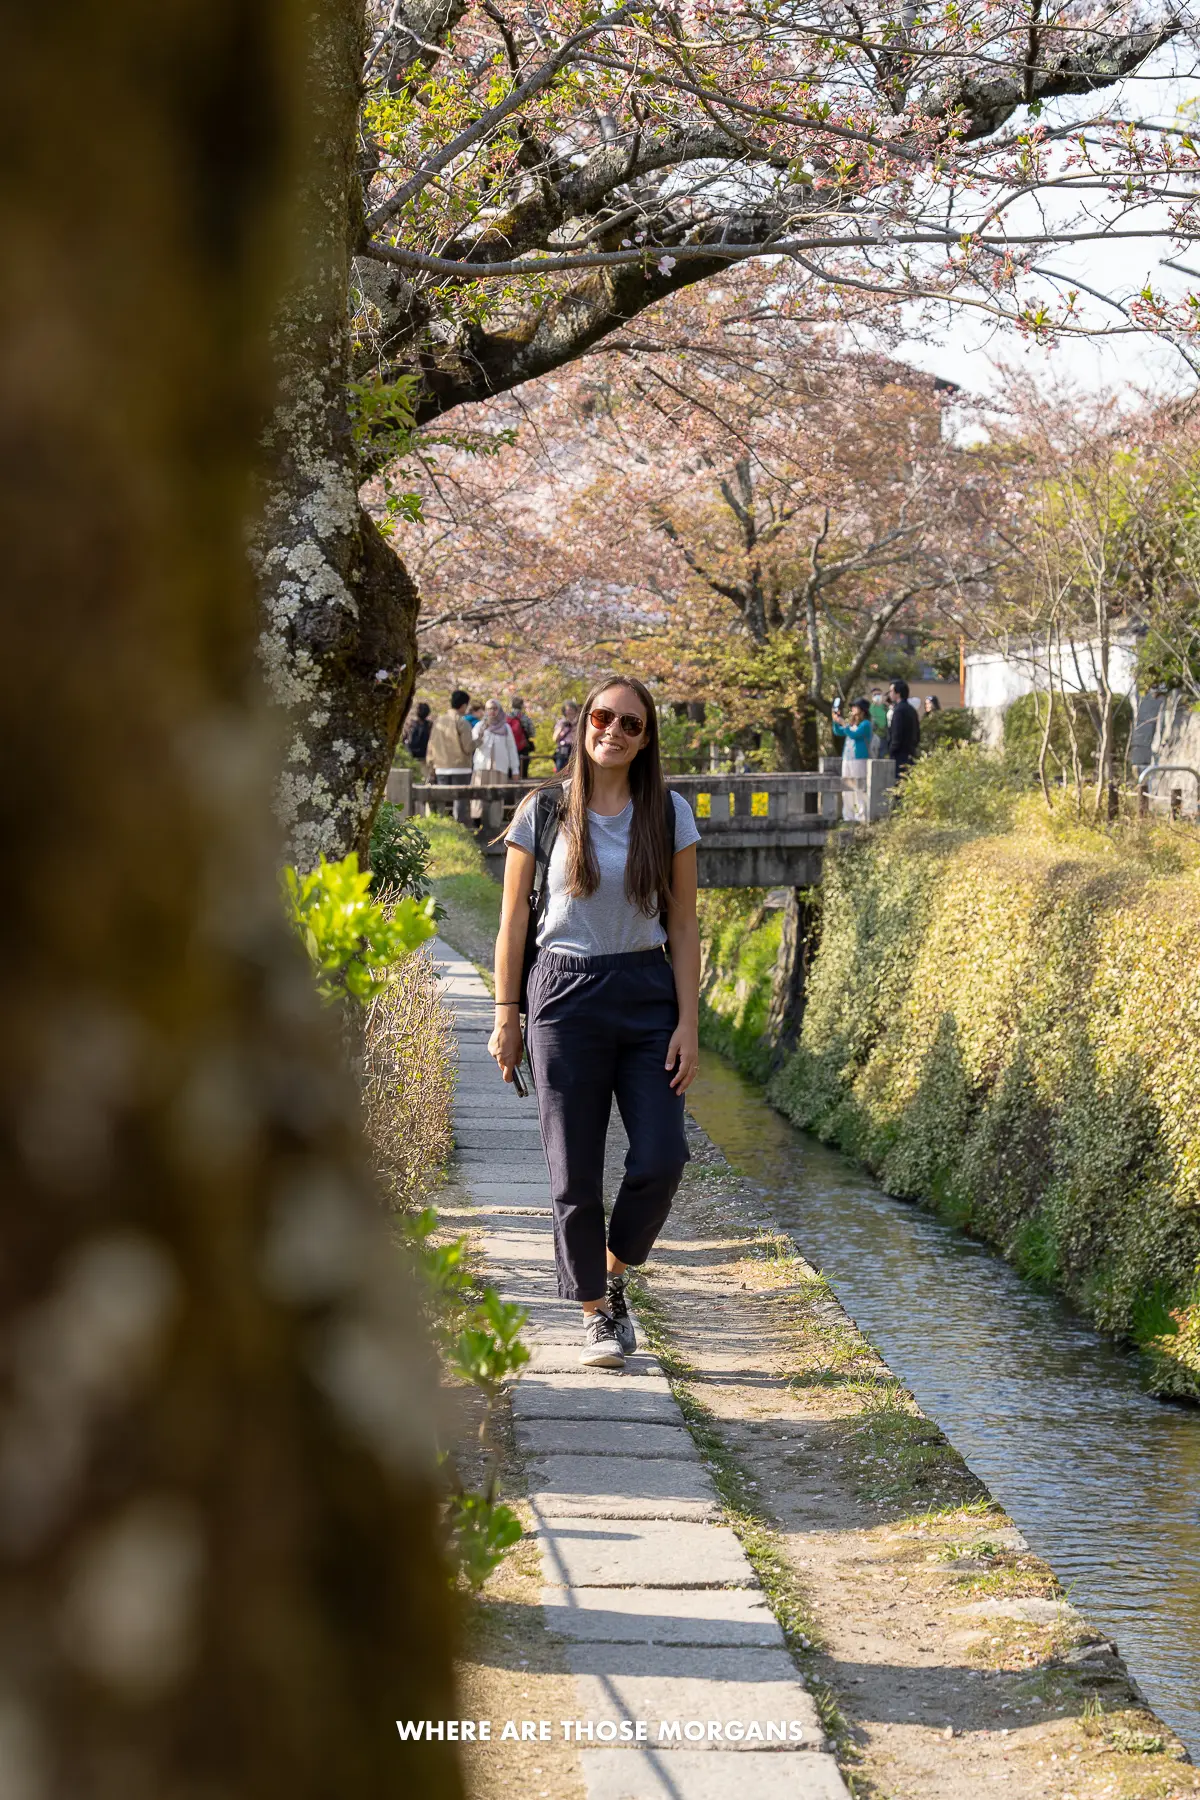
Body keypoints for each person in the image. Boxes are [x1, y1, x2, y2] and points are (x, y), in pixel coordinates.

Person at [489, 675, 702, 1371]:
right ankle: (597, 1315)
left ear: (646, 740)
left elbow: (684, 924)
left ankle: (610, 1270)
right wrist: (506, 1014)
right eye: (602, 717)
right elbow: (515, 918)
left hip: (646, 992)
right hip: (562, 993)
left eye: (630, 724)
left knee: (662, 1157)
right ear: (583, 724)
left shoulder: (668, 813)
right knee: (573, 1171)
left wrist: (689, 1024)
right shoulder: (543, 811)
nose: (613, 730)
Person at [471, 698, 521, 829]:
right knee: (479, 796)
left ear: (499, 710)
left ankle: (495, 825)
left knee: (497, 798)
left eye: (494, 708)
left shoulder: (506, 728)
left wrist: (515, 769)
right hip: (482, 767)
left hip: (500, 768)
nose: (492, 712)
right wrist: (481, 733)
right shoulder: (479, 725)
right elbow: (473, 744)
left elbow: (511, 748)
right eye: (489, 709)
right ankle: (477, 823)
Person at [427, 689, 475, 819]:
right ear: (464, 705)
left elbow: (431, 745)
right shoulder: (462, 722)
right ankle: (461, 827)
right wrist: (479, 740)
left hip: (441, 767)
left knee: (442, 800)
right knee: (461, 800)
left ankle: (442, 826)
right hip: (461, 768)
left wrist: (431, 765)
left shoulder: (438, 721)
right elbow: (468, 747)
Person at [832, 697, 872, 823]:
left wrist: (844, 724)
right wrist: (836, 721)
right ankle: (848, 816)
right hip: (847, 758)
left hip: (859, 759)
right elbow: (838, 732)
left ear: (863, 710)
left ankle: (861, 815)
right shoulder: (852, 724)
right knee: (846, 788)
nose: (853, 709)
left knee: (859, 788)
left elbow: (854, 735)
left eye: (856, 706)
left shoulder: (866, 724)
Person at [885, 678, 921, 775]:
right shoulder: (911, 710)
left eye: (891, 691)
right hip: (911, 751)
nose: (890, 694)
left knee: (898, 782)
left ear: (898, 693)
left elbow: (896, 733)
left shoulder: (899, 711)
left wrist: (892, 751)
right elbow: (917, 733)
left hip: (899, 754)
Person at [509, 695, 536, 779]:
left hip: (510, 746)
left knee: (511, 770)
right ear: (521, 705)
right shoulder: (525, 718)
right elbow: (532, 733)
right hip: (523, 747)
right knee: (523, 771)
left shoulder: (507, 717)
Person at [402, 700, 432, 774]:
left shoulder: (410, 724)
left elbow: (403, 739)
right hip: (425, 757)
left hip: (410, 756)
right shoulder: (430, 725)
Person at [553, 700, 579, 771]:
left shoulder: (579, 723)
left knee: (575, 767)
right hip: (563, 747)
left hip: (575, 747)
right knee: (560, 767)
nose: (570, 712)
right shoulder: (561, 722)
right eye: (568, 710)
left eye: (571, 709)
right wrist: (561, 728)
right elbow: (555, 739)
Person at [869, 688, 888, 757]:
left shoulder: (886, 708)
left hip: (884, 737)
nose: (877, 696)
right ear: (872, 697)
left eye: (879, 694)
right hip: (872, 737)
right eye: (875, 694)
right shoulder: (869, 709)